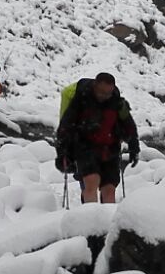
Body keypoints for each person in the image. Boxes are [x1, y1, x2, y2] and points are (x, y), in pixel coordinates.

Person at [56, 72, 139, 204]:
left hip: (110, 150)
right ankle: (90, 219)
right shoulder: (81, 100)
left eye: (108, 93)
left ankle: (107, 221)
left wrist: (134, 147)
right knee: (91, 182)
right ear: (95, 86)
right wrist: (63, 153)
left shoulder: (117, 103)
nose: (105, 96)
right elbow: (66, 126)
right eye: (101, 92)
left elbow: (129, 125)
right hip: (85, 147)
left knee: (109, 189)